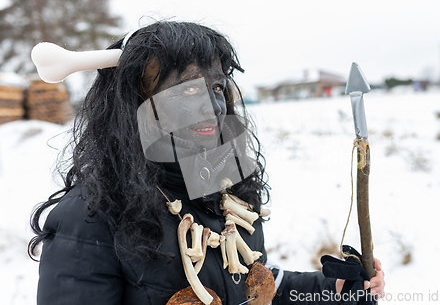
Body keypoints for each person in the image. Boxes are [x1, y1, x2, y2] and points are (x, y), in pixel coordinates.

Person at [29, 20, 385, 305]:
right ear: (138, 102)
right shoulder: (91, 215)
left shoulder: (224, 183)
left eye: (217, 88)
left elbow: (252, 284)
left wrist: (331, 289)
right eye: (188, 89)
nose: (214, 107)